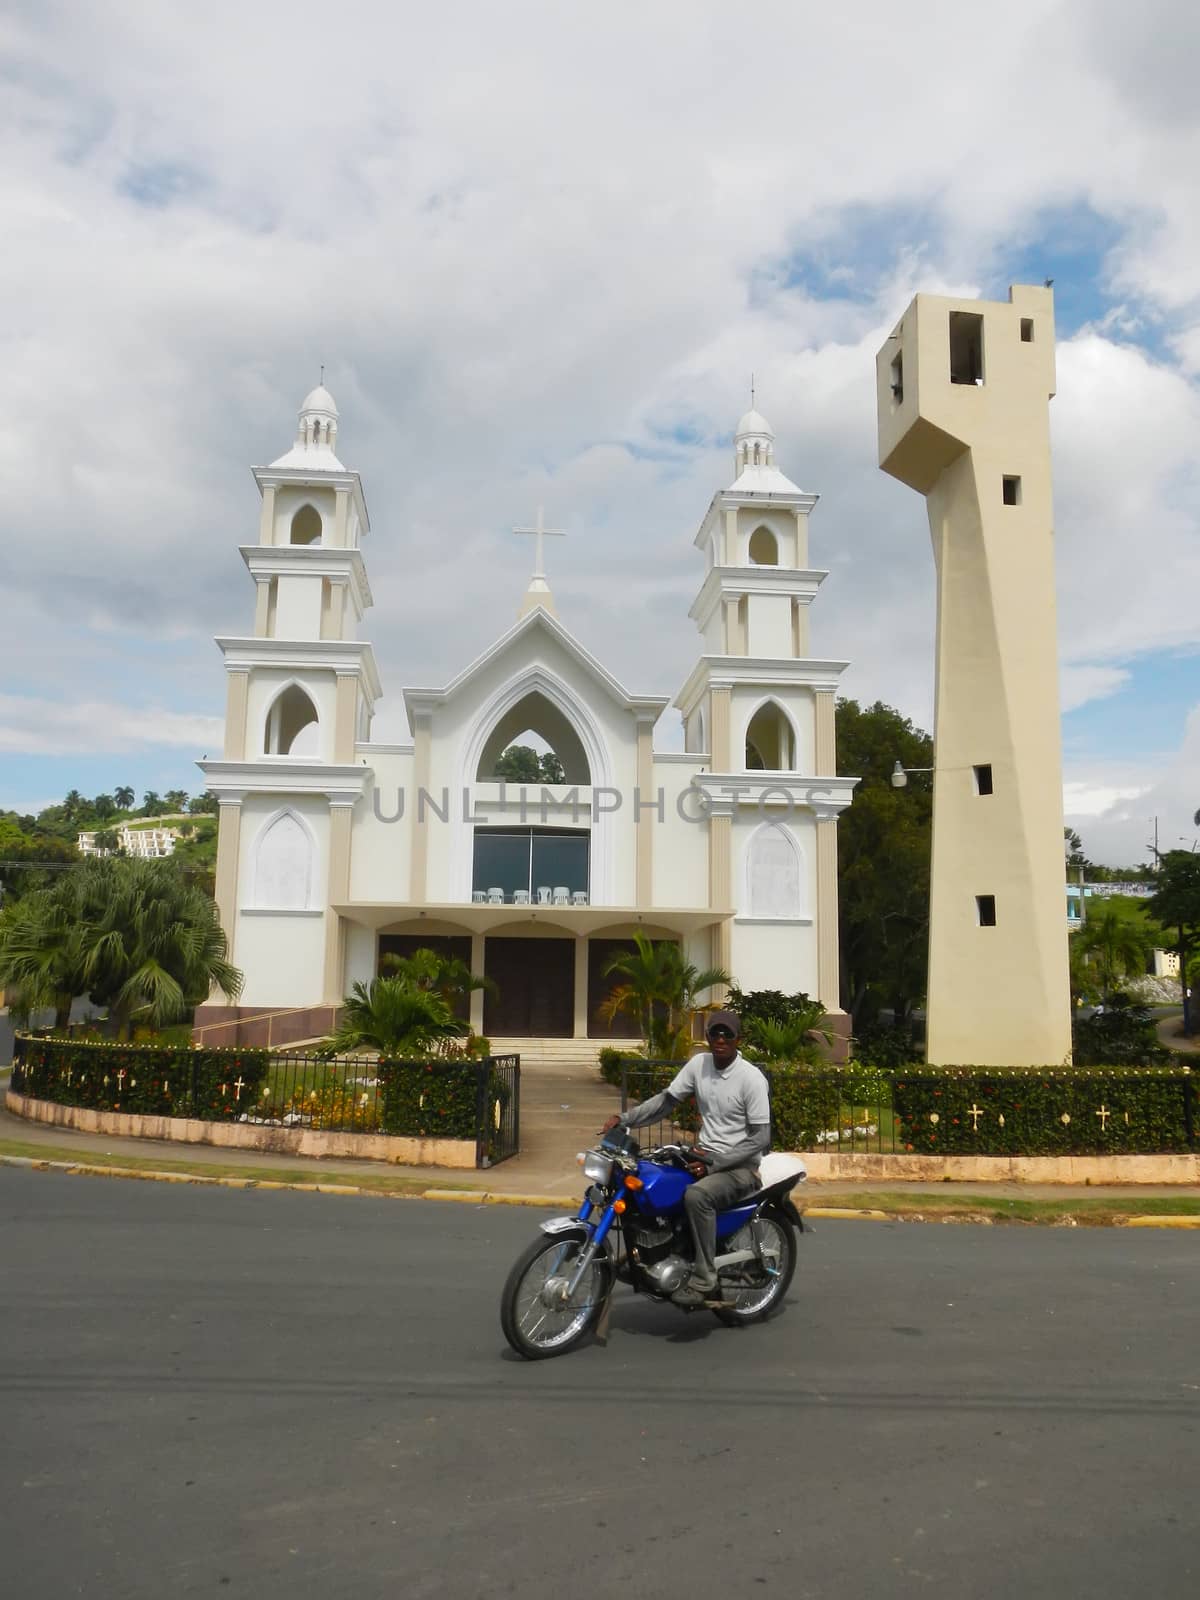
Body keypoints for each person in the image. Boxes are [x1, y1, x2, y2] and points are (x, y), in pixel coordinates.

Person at [602, 1009, 770, 1307]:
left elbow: (760, 1137)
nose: (720, 1039)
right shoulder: (699, 1065)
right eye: (715, 1033)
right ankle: (648, 1254)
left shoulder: (751, 1078)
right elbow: (667, 1101)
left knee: (697, 1197)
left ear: (737, 1039)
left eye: (727, 1034)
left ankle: (705, 1277)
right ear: (707, 1038)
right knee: (648, 1185)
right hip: (703, 1156)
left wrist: (716, 1163)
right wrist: (624, 1118)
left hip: (740, 1168)